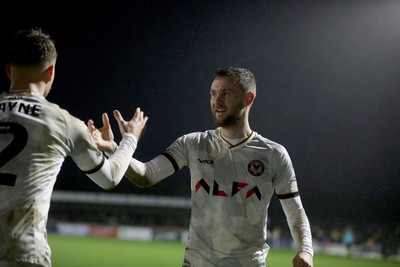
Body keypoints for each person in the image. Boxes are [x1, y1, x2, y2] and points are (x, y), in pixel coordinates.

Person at [91, 67, 313, 267]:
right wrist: (114, 148)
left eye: (226, 93)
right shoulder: (193, 143)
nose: (217, 101)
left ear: (248, 98)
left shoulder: (274, 154)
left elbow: (295, 211)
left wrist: (306, 250)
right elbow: (146, 176)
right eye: (213, 93)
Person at [0, 28, 148, 267]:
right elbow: (109, 178)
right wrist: (129, 139)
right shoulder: (64, 122)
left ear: (8, 70)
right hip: (23, 254)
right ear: (51, 72)